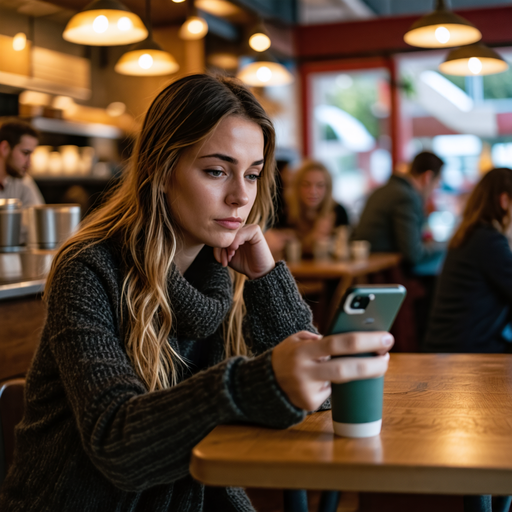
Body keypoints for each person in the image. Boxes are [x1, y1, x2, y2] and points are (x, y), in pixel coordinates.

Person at [0, 75, 394, 512]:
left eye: (253, 174)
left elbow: (315, 390)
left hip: (191, 495)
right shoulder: (89, 269)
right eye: (216, 171)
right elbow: (117, 443)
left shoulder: (224, 269)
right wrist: (257, 382)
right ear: (160, 171)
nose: (240, 196)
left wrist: (266, 280)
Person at [424, 168, 512, 512]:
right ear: (505, 202)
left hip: (455, 349)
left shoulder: (474, 234)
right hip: (466, 356)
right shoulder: (487, 240)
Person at [352, 151, 444, 269]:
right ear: (428, 177)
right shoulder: (407, 197)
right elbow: (413, 254)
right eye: (437, 182)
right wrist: (443, 248)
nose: (436, 188)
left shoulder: (383, 190)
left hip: (369, 269)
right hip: (384, 275)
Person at [266, 160, 350, 258]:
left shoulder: (338, 212)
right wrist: (312, 238)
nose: (313, 191)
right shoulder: (283, 212)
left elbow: (349, 249)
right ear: (297, 186)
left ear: (328, 188)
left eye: (320, 185)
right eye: (306, 185)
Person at [0, 119, 44, 207]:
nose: (29, 163)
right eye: (25, 153)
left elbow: (36, 216)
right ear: (5, 148)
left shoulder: (23, 182)